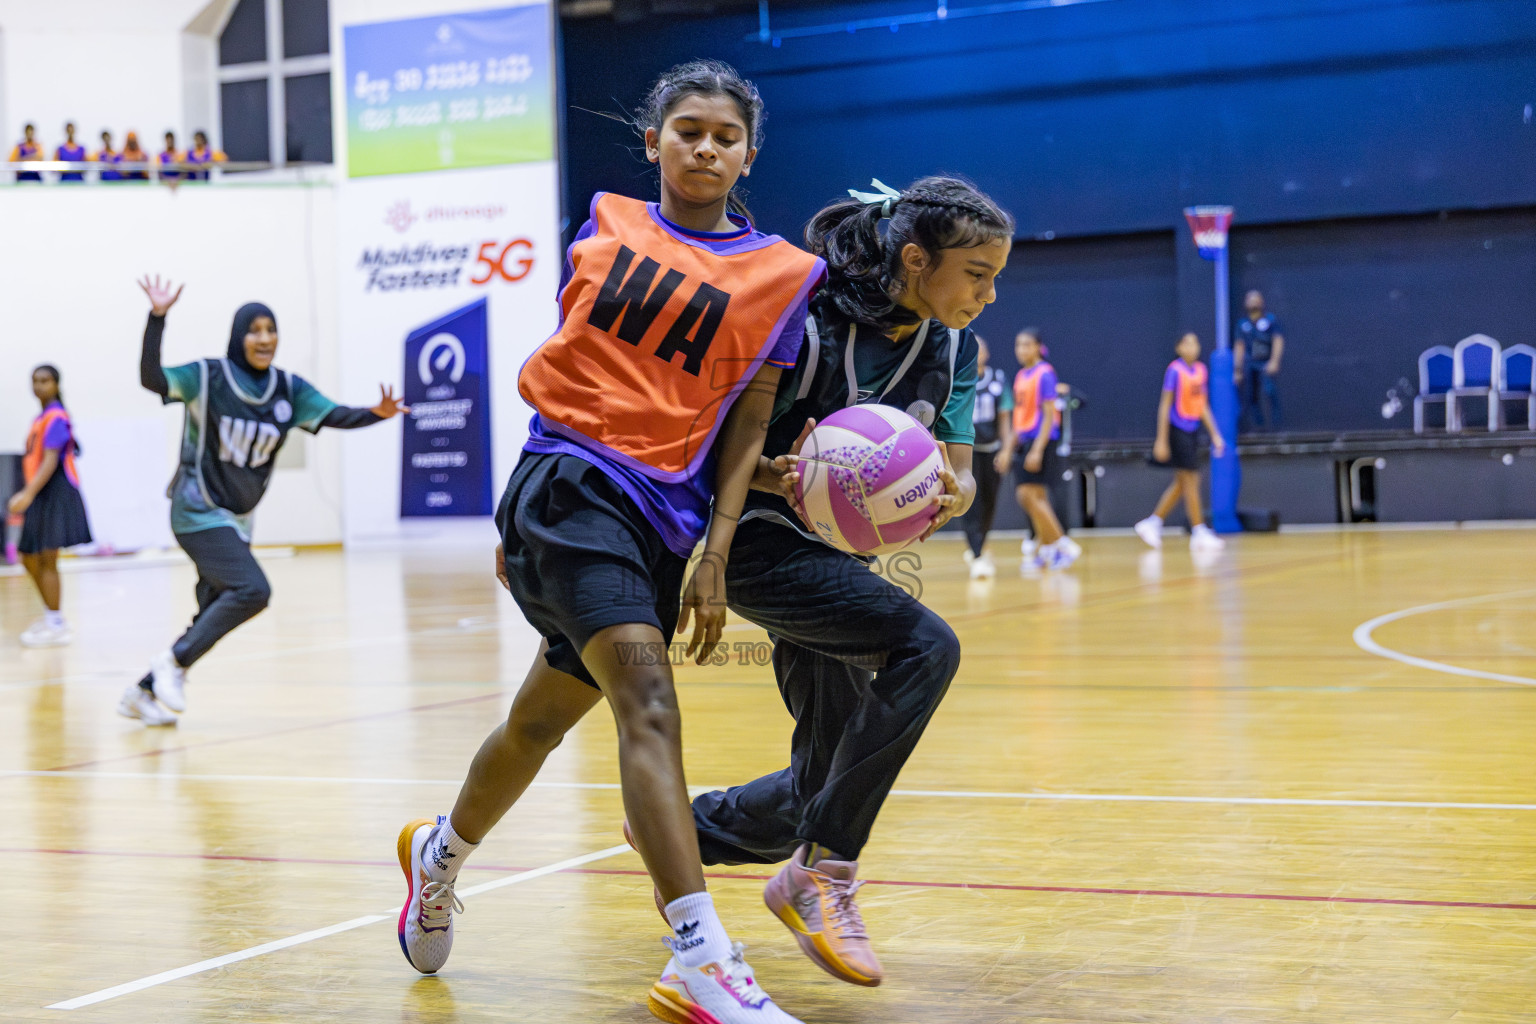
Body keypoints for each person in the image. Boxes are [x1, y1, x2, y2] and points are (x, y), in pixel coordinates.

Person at [394, 61, 823, 1024]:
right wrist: (524, 510)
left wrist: (715, 552)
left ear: (749, 152)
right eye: (687, 130)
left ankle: (440, 855)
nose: (705, 146)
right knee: (650, 704)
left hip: (660, 523)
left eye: (724, 135)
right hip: (567, 487)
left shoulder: (782, 276)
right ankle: (702, 959)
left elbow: (742, 428)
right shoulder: (606, 224)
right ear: (652, 142)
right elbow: (579, 373)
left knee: (541, 721)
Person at [656, 175, 1010, 989]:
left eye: (996, 275)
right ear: (916, 259)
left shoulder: (953, 350)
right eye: (977, 274)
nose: (989, 295)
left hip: (834, 555)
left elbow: (953, 476)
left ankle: (686, 826)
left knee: (828, 774)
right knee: (926, 646)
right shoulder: (802, 319)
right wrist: (786, 477)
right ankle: (825, 873)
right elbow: (708, 446)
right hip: (751, 544)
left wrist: (944, 495)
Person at [123, 275, 409, 727]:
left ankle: (142, 691)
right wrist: (157, 318)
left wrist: (376, 413)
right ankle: (172, 666)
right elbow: (152, 379)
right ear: (239, 336)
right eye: (254, 330)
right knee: (253, 590)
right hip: (196, 510)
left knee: (211, 611)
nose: (264, 338)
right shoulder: (207, 377)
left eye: (271, 330)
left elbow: (332, 414)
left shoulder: (287, 389)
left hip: (237, 520)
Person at [7, 365, 93, 647]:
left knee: (47, 557)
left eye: (45, 380)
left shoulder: (56, 417)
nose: (39, 386)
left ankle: (56, 622)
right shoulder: (41, 418)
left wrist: (28, 494)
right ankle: (50, 615)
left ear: (56, 384)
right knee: (28, 555)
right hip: (41, 493)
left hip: (54, 492)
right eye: (35, 381)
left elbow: (50, 459)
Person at [1135, 332, 1227, 553]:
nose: (1192, 347)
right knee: (1192, 479)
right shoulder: (1174, 371)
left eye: (1195, 342)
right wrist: (1161, 439)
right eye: (1187, 343)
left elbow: (1202, 405)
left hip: (1193, 429)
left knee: (1182, 482)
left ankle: (1153, 522)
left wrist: (1215, 434)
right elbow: (1165, 405)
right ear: (1178, 348)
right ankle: (1199, 530)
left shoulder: (1201, 371)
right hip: (1177, 430)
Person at [1000, 328, 1078, 570]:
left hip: (1041, 442)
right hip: (1025, 442)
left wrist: (1037, 449)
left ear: (1038, 347)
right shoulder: (1022, 376)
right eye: (1018, 345)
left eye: (1026, 345)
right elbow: (1019, 418)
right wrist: (1007, 449)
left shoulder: (1045, 374)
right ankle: (1046, 549)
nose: (1021, 350)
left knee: (1027, 495)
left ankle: (1063, 544)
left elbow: (1048, 416)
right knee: (1035, 496)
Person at [962, 335, 1011, 579]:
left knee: (989, 503)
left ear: (987, 354)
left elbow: (1005, 420)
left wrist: (1006, 450)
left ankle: (980, 545)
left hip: (991, 450)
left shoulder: (998, 380)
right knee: (970, 503)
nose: (977, 352)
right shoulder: (959, 378)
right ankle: (978, 553)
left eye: (981, 348)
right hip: (966, 452)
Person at [1235, 289, 1284, 431]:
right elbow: (1239, 345)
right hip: (1250, 364)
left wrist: (1274, 360)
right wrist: (1237, 369)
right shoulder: (1242, 324)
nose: (1253, 302)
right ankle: (1258, 426)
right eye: (1250, 299)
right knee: (1251, 396)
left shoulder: (1270, 320)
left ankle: (1277, 425)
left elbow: (1277, 339)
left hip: (1266, 361)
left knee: (1269, 391)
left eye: (1256, 299)